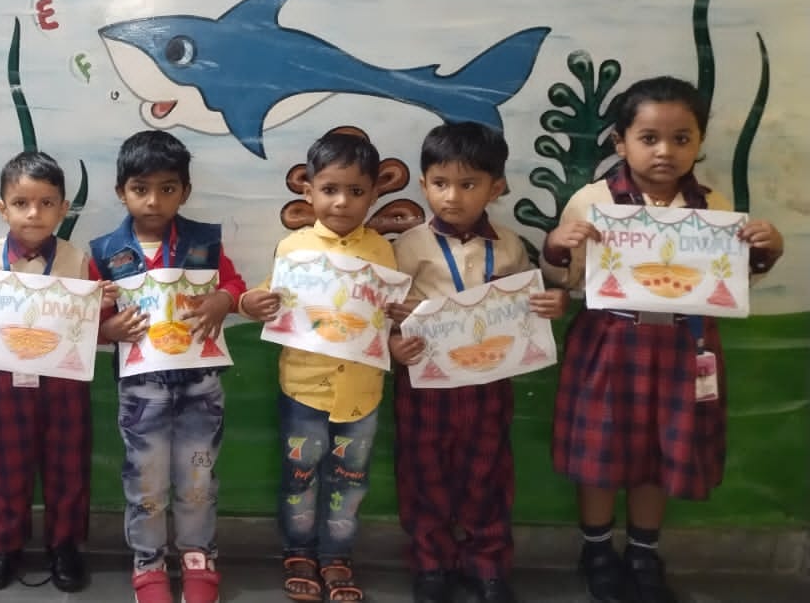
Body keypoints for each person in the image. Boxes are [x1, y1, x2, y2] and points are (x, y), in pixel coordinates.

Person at [541, 76, 783, 603]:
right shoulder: (593, 200)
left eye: (681, 138)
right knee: (601, 451)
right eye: (648, 138)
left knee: (659, 451)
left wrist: (765, 251)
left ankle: (643, 553)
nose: (665, 151)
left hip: (682, 345)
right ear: (620, 142)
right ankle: (596, 551)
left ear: (699, 142)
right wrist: (558, 246)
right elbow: (567, 279)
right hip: (610, 340)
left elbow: (731, 282)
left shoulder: (713, 205)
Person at [385, 123, 567, 603]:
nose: (452, 196)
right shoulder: (408, 246)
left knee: (487, 473)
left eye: (468, 184)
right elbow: (385, 310)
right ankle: (431, 565)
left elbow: (525, 305)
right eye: (440, 183)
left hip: (489, 383)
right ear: (423, 185)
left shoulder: (509, 245)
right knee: (423, 475)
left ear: (496, 187)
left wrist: (549, 305)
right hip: (424, 383)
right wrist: (393, 344)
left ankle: (488, 564)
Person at [87, 130, 246, 603]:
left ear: (185, 191)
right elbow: (90, 319)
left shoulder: (203, 242)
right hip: (142, 392)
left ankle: (197, 554)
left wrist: (223, 300)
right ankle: (149, 560)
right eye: (141, 189)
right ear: (121, 192)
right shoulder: (105, 252)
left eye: (167, 188)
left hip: (201, 386)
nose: (154, 201)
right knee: (146, 479)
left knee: (198, 476)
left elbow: (234, 284)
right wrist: (107, 329)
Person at [239, 130, 394, 603]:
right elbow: (269, 296)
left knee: (350, 481)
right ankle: (298, 552)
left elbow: (386, 314)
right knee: (300, 476)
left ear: (373, 193)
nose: (342, 202)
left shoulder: (382, 251)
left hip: (361, 394)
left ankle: (337, 556)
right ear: (308, 191)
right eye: (329, 189)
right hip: (303, 391)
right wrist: (251, 303)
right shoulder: (294, 249)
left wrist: (399, 319)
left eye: (356, 190)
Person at [0, 151, 94, 593]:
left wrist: (97, 304)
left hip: (62, 382)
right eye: (22, 203)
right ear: (2, 208)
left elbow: (83, 323)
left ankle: (64, 546)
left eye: (46, 203)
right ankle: (4, 545)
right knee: (7, 466)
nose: (34, 213)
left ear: (63, 209)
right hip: (2, 381)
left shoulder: (76, 259)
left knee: (67, 466)